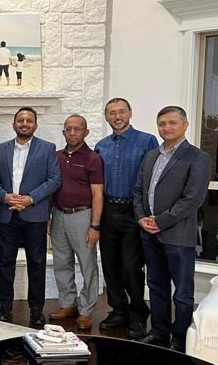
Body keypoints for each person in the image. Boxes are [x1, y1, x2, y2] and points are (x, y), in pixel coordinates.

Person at [134, 106, 210, 352]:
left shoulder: (198, 157)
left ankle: (179, 340)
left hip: (178, 235)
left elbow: (192, 199)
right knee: (157, 287)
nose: (166, 127)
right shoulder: (151, 156)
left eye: (172, 123)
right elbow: (138, 191)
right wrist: (141, 218)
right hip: (149, 234)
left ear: (185, 125)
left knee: (183, 293)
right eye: (162, 123)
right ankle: (159, 334)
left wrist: (161, 221)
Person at [94, 97, 157, 338]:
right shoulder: (101, 146)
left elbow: (153, 179)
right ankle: (118, 310)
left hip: (134, 212)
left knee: (131, 266)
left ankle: (138, 314)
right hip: (109, 211)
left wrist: (147, 213)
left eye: (121, 111)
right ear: (106, 117)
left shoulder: (147, 141)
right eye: (112, 113)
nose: (117, 116)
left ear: (130, 113)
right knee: (110, 265)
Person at [0, 107, 61, 326]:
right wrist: (4, 197)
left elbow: (54, 179)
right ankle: (5, 307)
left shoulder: (47, 148)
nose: (24, 124)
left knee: (37, 262)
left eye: (29, 120)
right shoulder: (0, 149)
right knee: (6, 262)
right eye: (21, 120)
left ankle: (36, 309)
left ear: (35, 125)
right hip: (7, 214)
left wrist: (30, 199)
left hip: (35, 214)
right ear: (14, 124)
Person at [48, 115, 103, 330]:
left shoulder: (93, 159)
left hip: (83, 216)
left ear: (86, 132)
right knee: (62, 263)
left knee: (87, 265)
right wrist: (50, 217)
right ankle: (67, 303)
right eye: (68, 129)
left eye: (77, 129)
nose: (72, 133)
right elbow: (52, 188)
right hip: (59, 215)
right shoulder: (56, 157)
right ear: (64, 132)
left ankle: (87, 310)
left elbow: (98, 195)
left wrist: (95, 226)